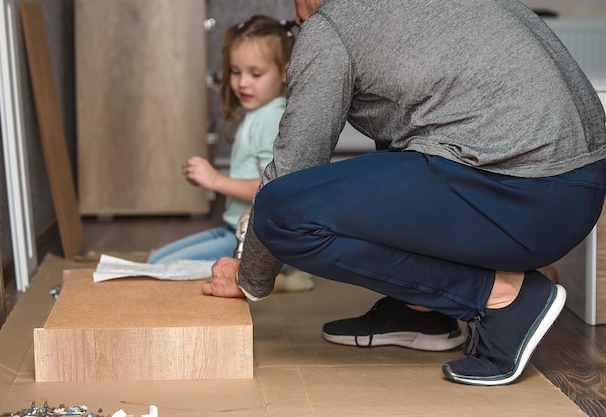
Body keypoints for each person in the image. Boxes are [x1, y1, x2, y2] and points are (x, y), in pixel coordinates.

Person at [201, 0, 606, 387]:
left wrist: (249, 276)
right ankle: (421, 311)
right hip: (579, 190)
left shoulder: (331, 26)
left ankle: (504, 297)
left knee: (279, 212)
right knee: (396, 145)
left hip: (522, 195)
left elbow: (293, 168)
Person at [148, 15, 312, 292]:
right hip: (233, 229)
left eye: (255, 74)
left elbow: (270, 190)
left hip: (255, 240)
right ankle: (278, 271)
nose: (242, 83)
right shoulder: (257, 114)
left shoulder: (272, 118)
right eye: (236, 72)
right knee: (155, 261)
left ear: (285, 72)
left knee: (164, 269)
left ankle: (273, 273)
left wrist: (214, 180)